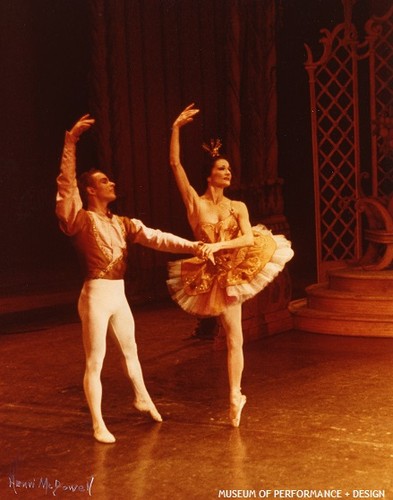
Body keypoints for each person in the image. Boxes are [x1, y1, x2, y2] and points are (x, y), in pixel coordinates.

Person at [56, 114, 206, 444]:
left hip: (118, 295)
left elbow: (158, 237)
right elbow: (66, 186)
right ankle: (98, 423)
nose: (112, 184)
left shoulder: (123, 223)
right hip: (95, 295)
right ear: (91, 189)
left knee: (131, 351)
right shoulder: (79, 220)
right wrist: (70, 143)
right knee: (95, 360)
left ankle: (141, 397)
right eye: (105, 181)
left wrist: (194, 245)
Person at [167, 104, 294, 427]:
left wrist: (219, 244)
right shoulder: (195, 203)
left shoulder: (238, 206)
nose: (227, 172)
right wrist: (176, 129)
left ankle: (235, 396)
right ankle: (234, 393)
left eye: (229, 169)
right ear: (209, 175)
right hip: (209, 276)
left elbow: (248, 239)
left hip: (233, 273)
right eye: (221, 168)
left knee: (235, 338)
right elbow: (175, 164)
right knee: (224, 335)